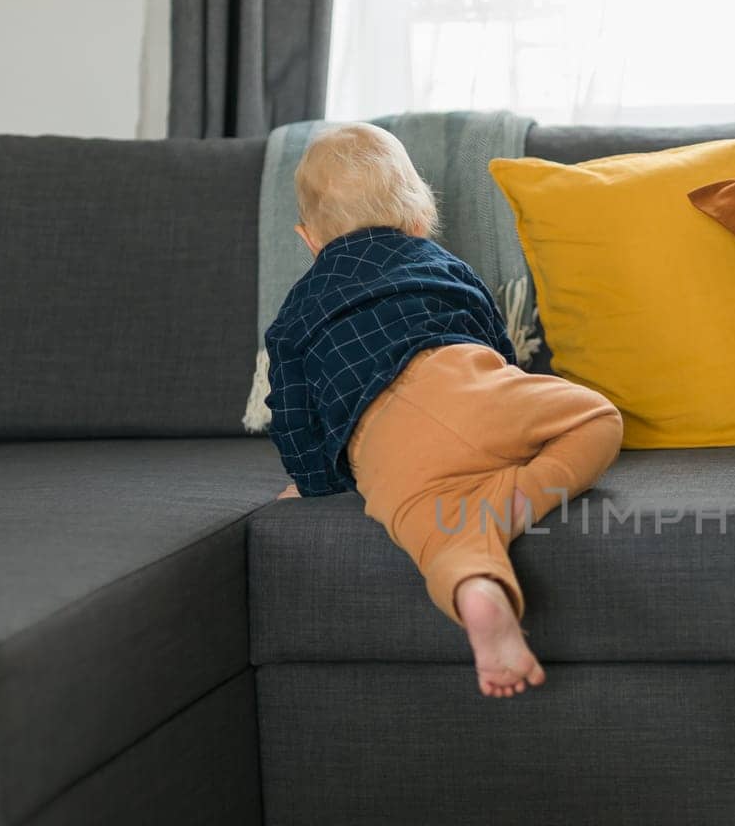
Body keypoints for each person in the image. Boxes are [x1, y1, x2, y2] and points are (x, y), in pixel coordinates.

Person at [265, 124, 622, 698]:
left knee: (434, 540)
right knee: (597, 418)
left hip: (383, 445)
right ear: (417, 219)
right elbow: (496, 349)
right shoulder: (443, 264)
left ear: (309, 239)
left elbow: (292, 413)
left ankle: (475, 585)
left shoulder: (293, 315)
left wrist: (314, 483)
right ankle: (507, 502)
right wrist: (511, 414)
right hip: (467, 385)